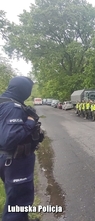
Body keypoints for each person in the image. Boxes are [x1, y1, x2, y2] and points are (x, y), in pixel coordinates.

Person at [0, 76, 44, 221]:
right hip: (15, 160)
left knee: (14, 198)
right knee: (19, 203)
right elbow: (9, 139)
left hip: (7, 159)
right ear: (23, 89)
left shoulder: (3, 102)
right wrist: (30, 122)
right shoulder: (13, 107)